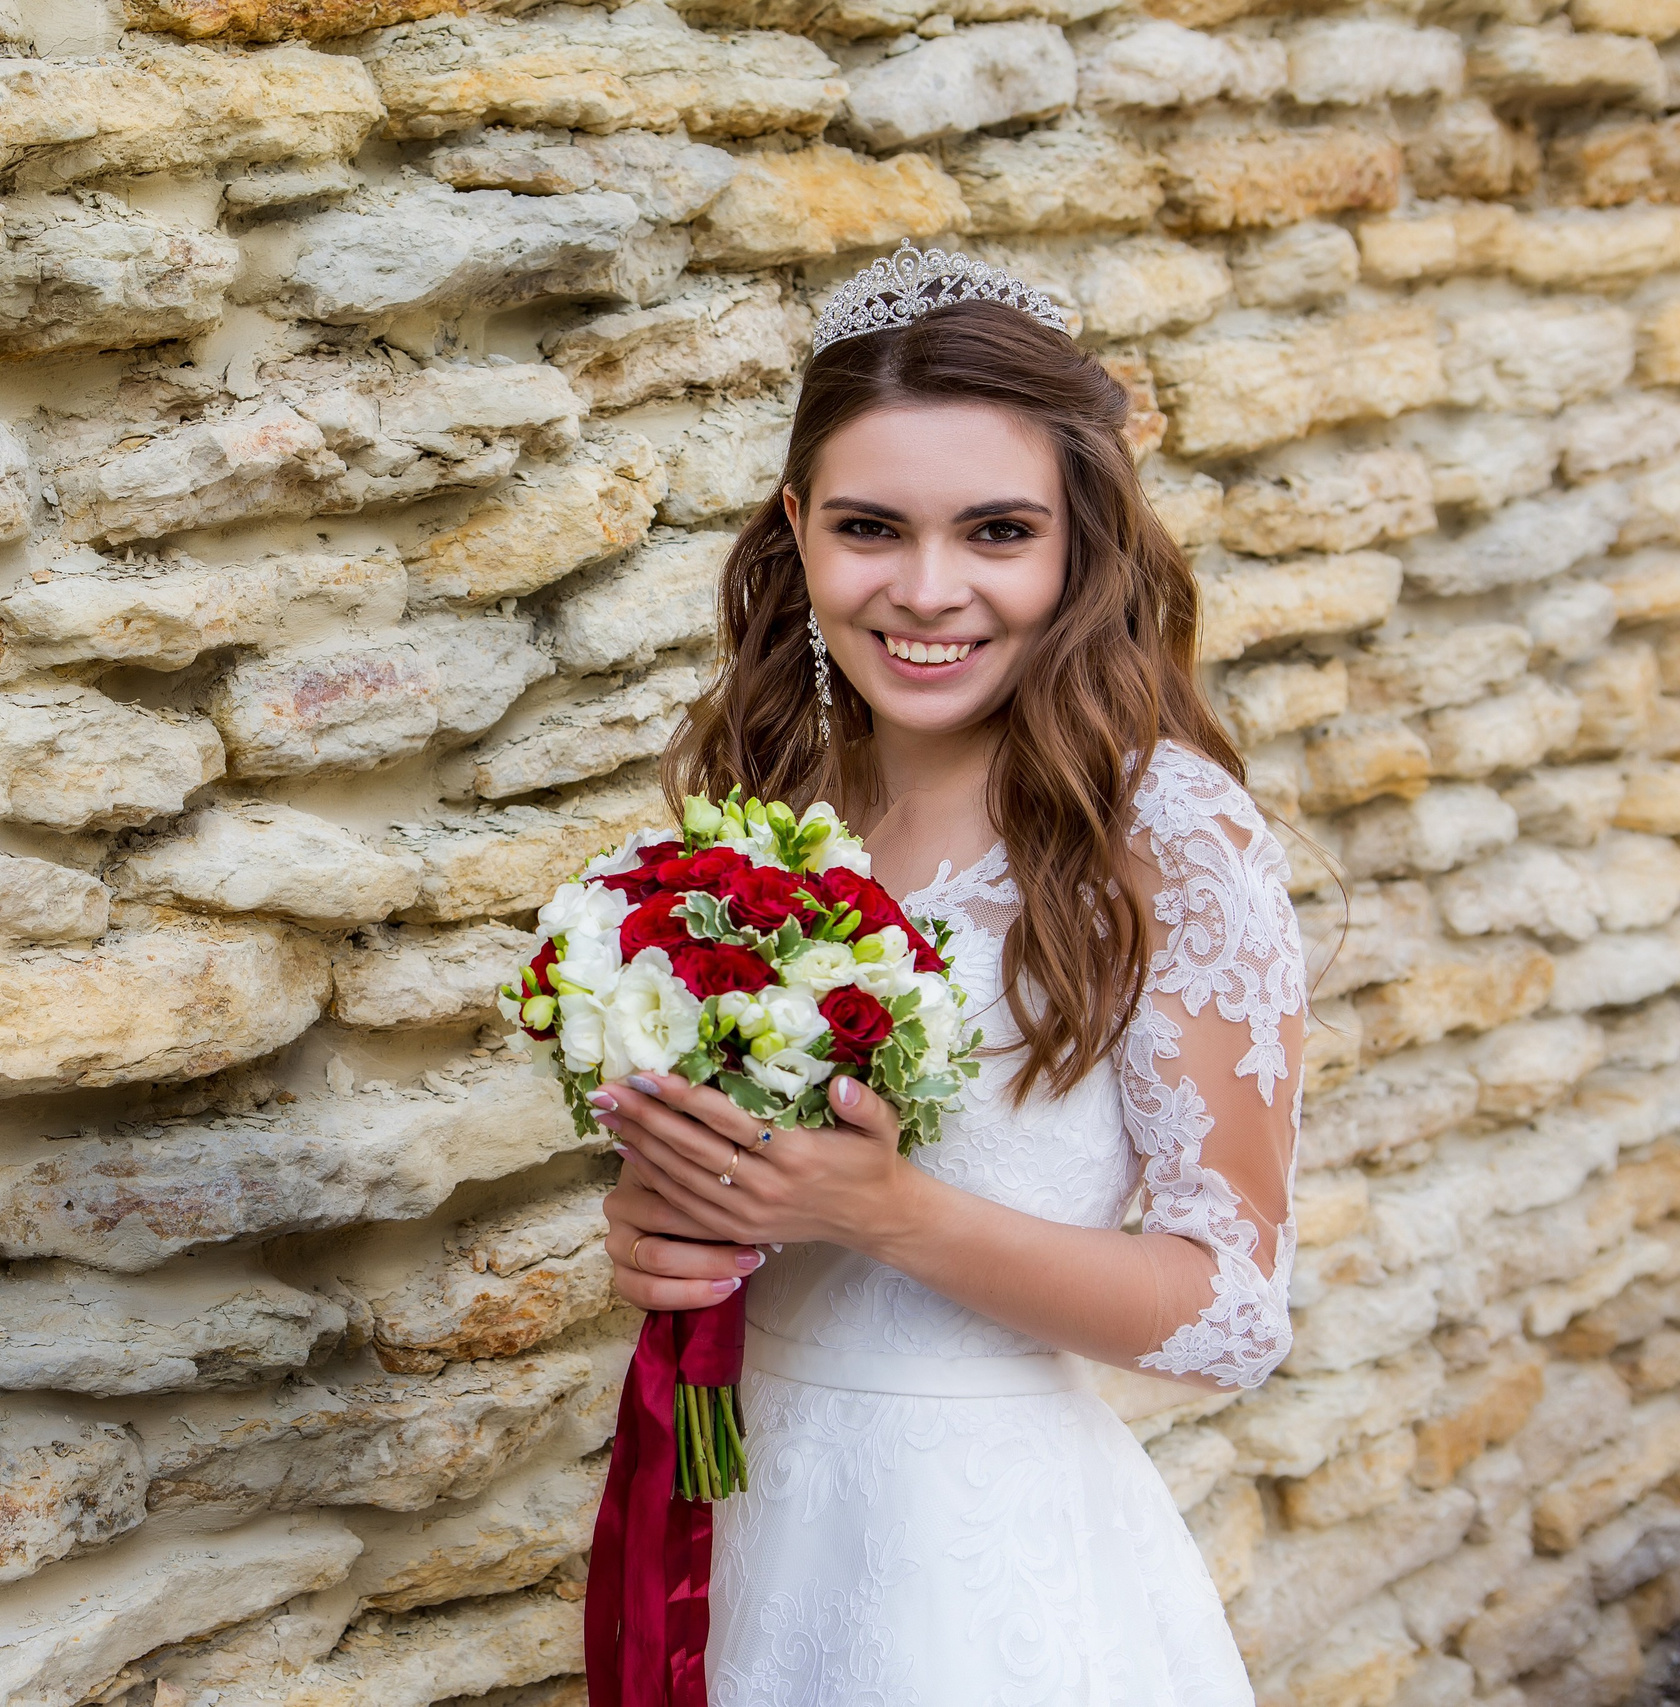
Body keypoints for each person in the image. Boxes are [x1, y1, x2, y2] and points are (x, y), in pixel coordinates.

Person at [589, 245, 1303, 1704]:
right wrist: (671, 1233)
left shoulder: (1158, 830)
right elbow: (765, 1197)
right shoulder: (778, 808)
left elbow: (1231, 1311)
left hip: (981, 1567)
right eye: (869, 527)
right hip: (748, 1521)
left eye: (995, 531)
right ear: (796, 529)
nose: (928, 591)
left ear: (1077, 545)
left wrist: (891, 1210)